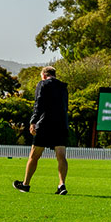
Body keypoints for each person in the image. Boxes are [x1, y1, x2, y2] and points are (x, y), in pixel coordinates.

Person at [13, 66, 71, 195]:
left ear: (44, 75)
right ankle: (62, 184)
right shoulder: (63, 87)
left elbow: (38, 103)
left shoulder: (42, 84)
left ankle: (25, 184)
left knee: (34, 156)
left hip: (45, 124)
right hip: (61, 124)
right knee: (61, 156)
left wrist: (33, 121)